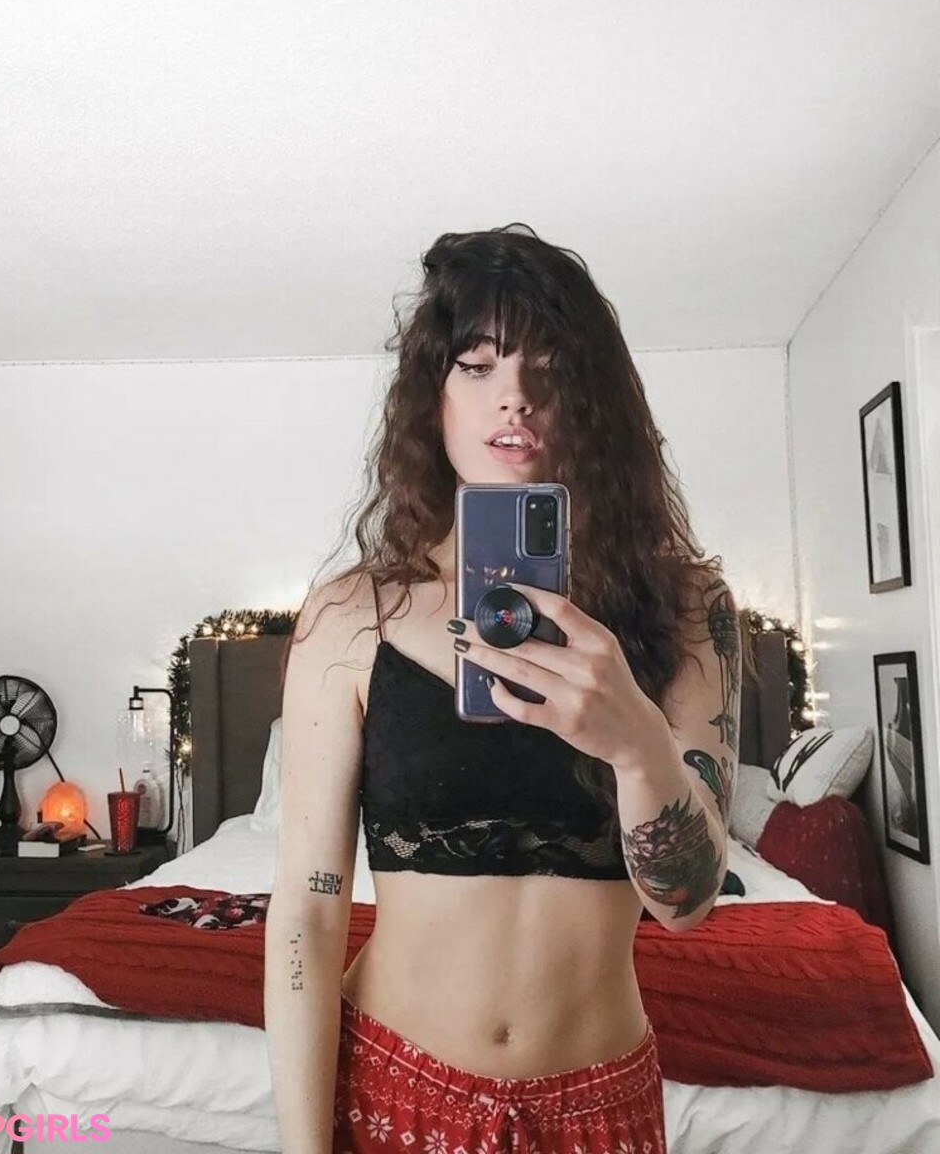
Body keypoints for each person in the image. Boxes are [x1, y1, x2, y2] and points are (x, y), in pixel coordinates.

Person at [263, 224, 745, 1154]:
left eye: (548, 368)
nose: (514, 396)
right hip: (391, 1085)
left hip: (599, 1107)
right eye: (477, 366)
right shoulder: (352, 614)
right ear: (432, 399)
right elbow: (310, 911)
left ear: (593, 400)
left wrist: (637, 744)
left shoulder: (687, 609)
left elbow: (687, 906)